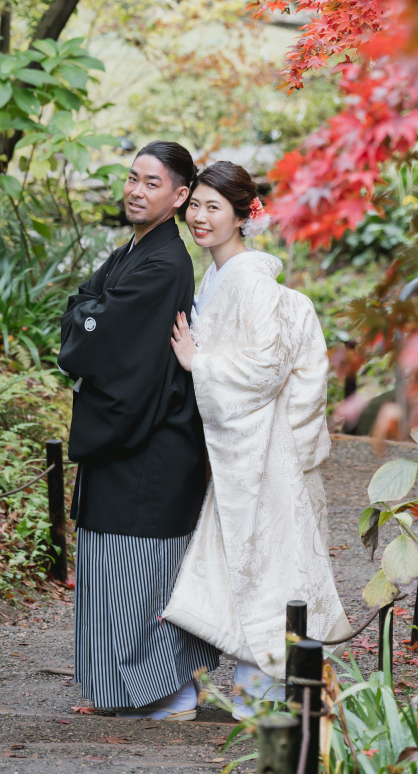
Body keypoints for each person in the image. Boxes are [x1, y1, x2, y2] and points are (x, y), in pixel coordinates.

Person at [163, 160, 349, 717]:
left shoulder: (249, 280)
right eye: (194, 204)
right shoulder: (222, 276)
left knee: (265, 562)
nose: (199, 216)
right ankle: (254, 692)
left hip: (261, 447)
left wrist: (202, 363)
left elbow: (265, 368)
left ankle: (261, 694)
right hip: (242, 442)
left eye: (213, 207)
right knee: (248, 561)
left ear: (244, 217)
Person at [59, 141, 219, 722]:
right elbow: (81, 309)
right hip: (128, 436)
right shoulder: (137, 250)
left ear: (179, 197)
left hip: (149, 442)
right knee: (112, 575)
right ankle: (122, 692)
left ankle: (164, 691)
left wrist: (86, 317)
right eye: (133, 178)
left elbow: (93, 334)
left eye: (152, 183)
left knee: (140, 577)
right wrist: (87, 316)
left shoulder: (164, 261)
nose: (136, 189)